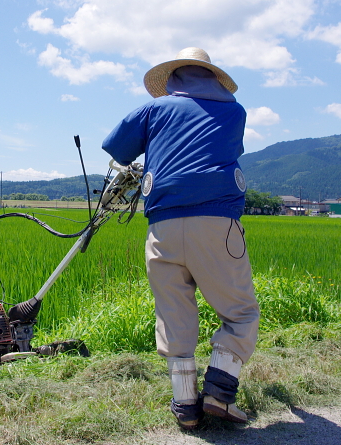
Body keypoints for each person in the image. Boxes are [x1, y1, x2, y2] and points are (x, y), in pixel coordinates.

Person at [101, 47, 259, 429]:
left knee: (174, 313)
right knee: (240, 312)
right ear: (212, 78)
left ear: (173, 79)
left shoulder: (154, 110)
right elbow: (221, 150)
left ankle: (186, 404)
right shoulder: (235, 112)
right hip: (215, 224)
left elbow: (116, 147)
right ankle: (219, 393)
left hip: (163, 226)